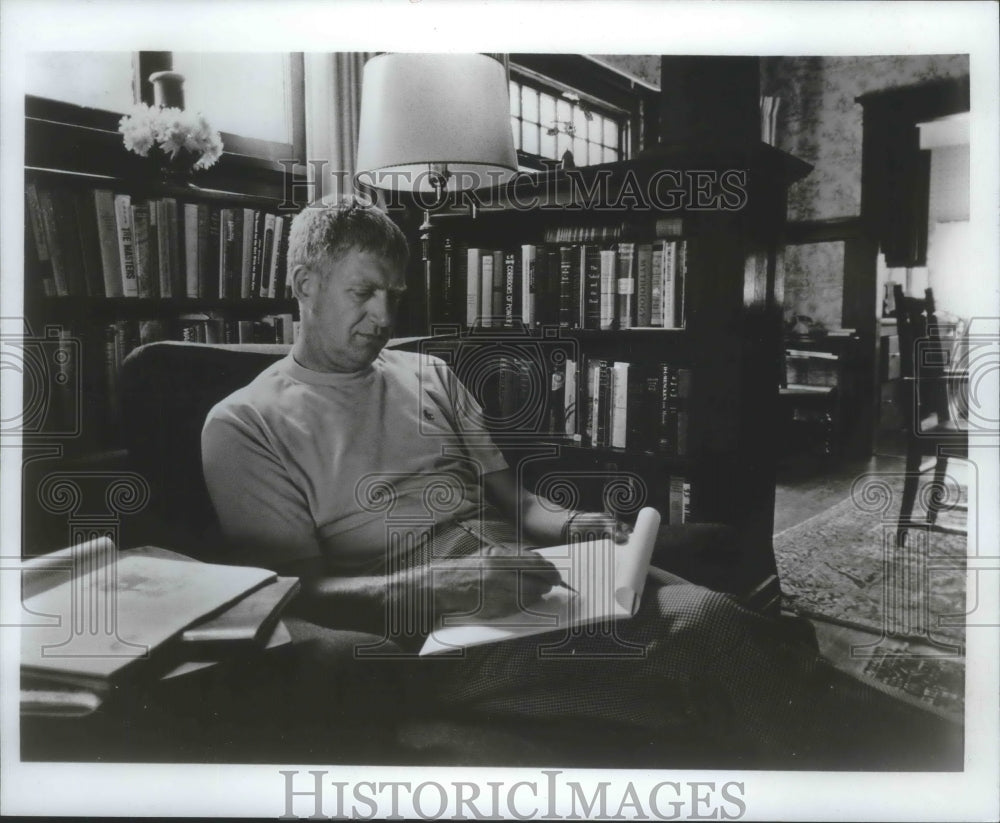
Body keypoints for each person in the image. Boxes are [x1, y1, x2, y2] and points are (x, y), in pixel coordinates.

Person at [202, 196, 962, 769]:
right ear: (304, 281)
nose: (382, 314)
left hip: (535, 575)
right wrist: (440, 584)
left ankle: (926, 766)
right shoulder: (246, 424)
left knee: (728, 620)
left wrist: (575, 528)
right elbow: (292, 593)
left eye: (393, 296)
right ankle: (930, 769)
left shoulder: (427, 372)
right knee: (708, 643)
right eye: (363, 292)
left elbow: (516, 501)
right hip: (426, 629)